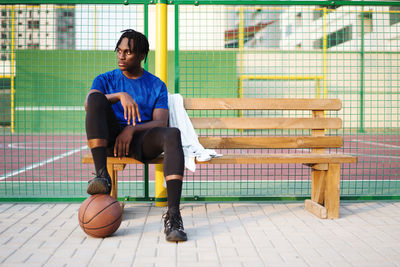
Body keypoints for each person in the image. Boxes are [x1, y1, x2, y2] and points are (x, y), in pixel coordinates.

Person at [84, 29, 187, 242]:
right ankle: (101, 176)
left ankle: (173, 217)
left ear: (141, 56)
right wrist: (120, 95)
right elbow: (89, 104)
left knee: (172, 134)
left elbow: (160, 122)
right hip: (110, 140)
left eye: (128, 52)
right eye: (119, 51)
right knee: (95, 98)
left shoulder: (156, 84)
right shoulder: (105, 79)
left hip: (140, 141)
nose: (121, 56)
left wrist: (130, 129)